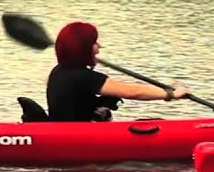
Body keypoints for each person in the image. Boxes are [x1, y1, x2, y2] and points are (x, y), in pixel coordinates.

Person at [47, 21, 190, 122]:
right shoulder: (84, 77)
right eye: (94, 43)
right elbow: (133, 91)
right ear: (83, 49)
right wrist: (171, 94)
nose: (99, 46)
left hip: (66, 128)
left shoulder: (57, 72)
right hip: (75, 134)